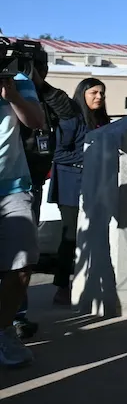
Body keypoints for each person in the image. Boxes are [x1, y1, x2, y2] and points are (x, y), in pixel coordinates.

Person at [13, 45, 77, 337]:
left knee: (21, 258)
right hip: (11, 176)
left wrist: (38, 84)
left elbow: (68, 112)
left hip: (30, 182)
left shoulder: (42, 92)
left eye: (39, 66)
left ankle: (17, 315)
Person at [48, 78, 110, 306]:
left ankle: (89, 281)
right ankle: (62, 286)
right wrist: (88, 154)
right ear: (82, 94)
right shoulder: (71, 120)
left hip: (96, 184)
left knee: (95, 233)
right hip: (70, 186)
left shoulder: (102, 120)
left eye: (102, 93)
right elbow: (57, 154)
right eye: (94, 92)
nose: (99, 97)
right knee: (70, 237)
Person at [0, 68, 45, 367]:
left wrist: (12, 95)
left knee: (21, 267)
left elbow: (36, 122)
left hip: (12, 186)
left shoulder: (16, 80)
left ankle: (4, 332)